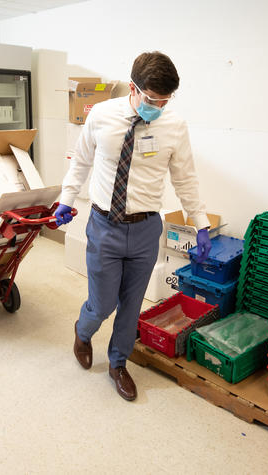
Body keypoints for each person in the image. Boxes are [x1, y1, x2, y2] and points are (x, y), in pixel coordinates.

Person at [55, 51, 211, 402]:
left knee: (131, 304)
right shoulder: (102, 115)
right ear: (133, 88)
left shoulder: (173, 126)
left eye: (165, 100)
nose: (158, 106)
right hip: (105, 225)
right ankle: (83, 331)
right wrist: (66, 198)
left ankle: (117, 364)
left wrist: (200, 224)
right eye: (153, 99)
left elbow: (185, 179)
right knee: (102, 303)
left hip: (145, 229)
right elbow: (80, 161)